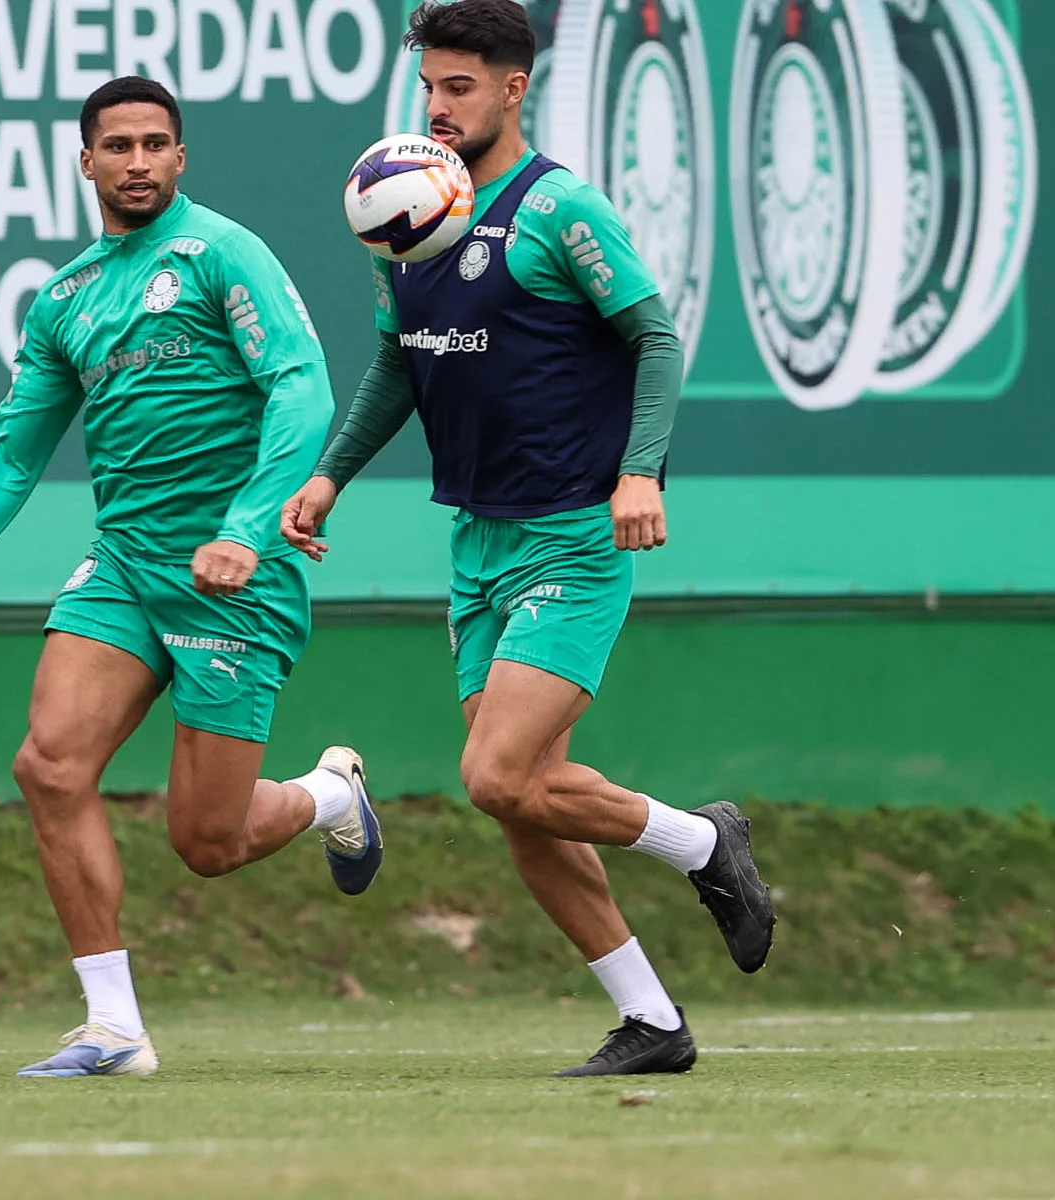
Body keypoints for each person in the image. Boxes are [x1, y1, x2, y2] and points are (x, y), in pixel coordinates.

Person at [0, 76, 383, 1080]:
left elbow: (300, 389)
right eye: (118, 146)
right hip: (126, 568)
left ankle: (329, 796)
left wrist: (245, 531)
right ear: (85, 160)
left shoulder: (227, 255)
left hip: (236, 577)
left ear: (181, 158)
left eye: (155, 144)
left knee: (208, 841)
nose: (137, 161)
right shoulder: (66, 298)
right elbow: (13, 454)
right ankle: (113, 1027)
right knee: (48, 765)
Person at [282, 0, 774, 1076]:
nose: (438, 108)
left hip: (571, 535)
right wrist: (327, 476)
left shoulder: (561, 209)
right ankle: (652, 1021)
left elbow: (655, 337)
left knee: (498, 775)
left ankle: (703, 841)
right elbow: (398, 366)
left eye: (460, 88)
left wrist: (638, 471)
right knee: (523, 808)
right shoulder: (403, 211)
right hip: (478, 541)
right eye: (429, 87)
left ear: (514, 89)